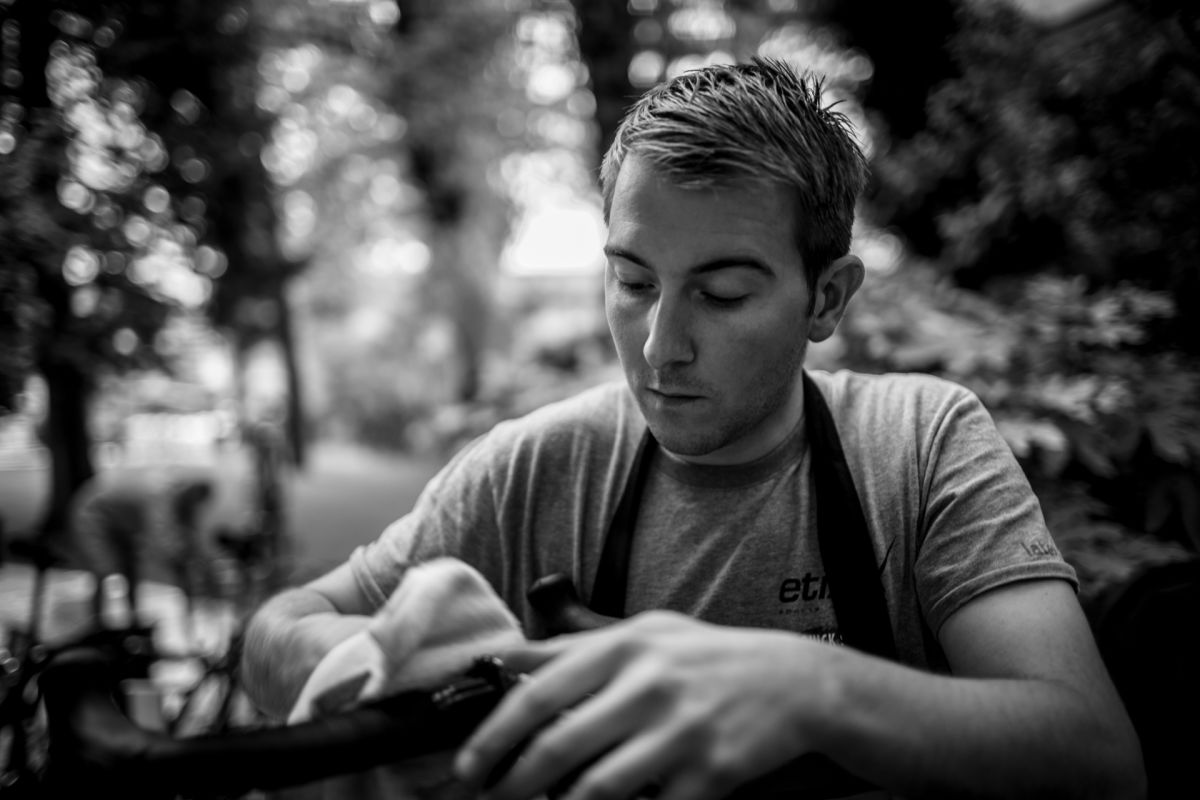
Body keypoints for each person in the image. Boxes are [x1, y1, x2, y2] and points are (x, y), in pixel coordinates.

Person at [242, 58, 1144, 800]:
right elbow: (278, 631)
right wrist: (388, 668)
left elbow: (1097, 760)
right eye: (633, 282)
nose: (659, 346)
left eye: (722, 294)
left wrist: (813, 690)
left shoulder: (917, 444)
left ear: (826, 299)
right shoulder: (534, 468)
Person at [70, 469, 215, 628]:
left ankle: (132, 623)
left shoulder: (182, 502)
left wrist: (199, 557)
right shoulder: (161, 495)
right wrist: (183, 560)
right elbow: (161, 539)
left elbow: (191, 533)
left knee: (131, 568)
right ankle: (97, 626)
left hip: (119, 523)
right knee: (106, 570)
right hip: (93, 515)